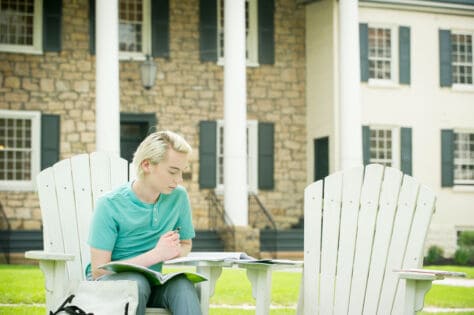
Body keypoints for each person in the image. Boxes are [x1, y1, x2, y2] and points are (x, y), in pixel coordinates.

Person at [86, 130, 201, 315]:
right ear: (147, 165)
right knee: (136, 283)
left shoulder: (178, 197)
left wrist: (173, 250)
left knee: (182, 285)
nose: (179, 180)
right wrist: (157, 254)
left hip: (154, 283)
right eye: (173, 171)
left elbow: (186, 244)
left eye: (182, 172)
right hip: (109, 286)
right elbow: (99, 271)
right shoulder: (109, 205)